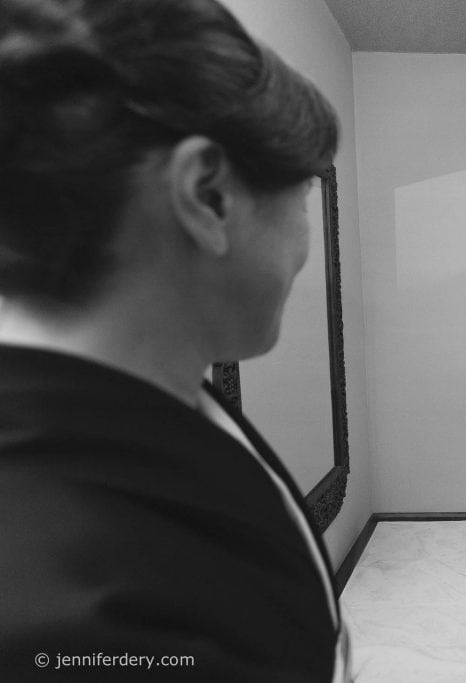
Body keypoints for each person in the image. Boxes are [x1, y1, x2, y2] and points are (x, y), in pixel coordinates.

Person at [0, 1, 349, 680]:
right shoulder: (71, 622)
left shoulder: (161, 386)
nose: (306, 250)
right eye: (303, 198)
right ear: (209, 195)